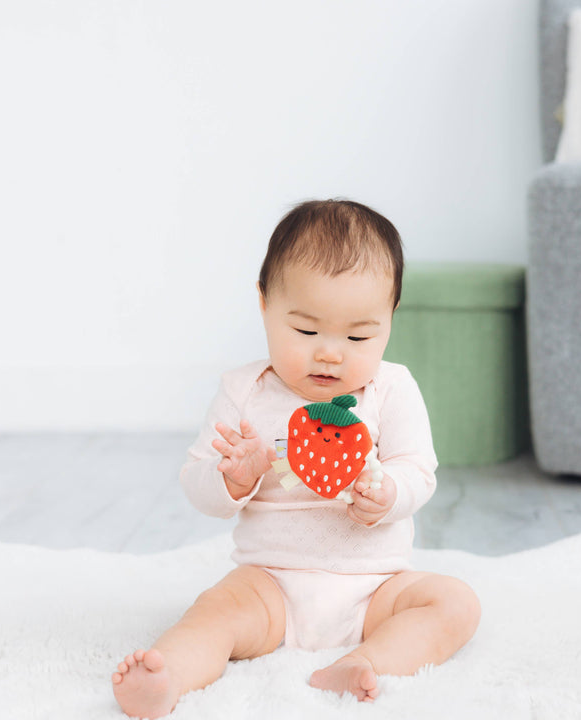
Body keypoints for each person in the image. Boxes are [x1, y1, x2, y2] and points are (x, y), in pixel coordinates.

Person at [111, 199, 481, 719]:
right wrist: (233, 479)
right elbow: (196, 484)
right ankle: (166, 676)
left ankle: (365, 660)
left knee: (455, 602)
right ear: (264, 304)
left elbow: (419, 469)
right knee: (214, 612)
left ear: (390, 320)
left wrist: (388, 493)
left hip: (374, 588)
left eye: (358, 335)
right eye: (306, 331)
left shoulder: (391, 388)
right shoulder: (244, 391)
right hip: (270, 586)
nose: (330, 352)